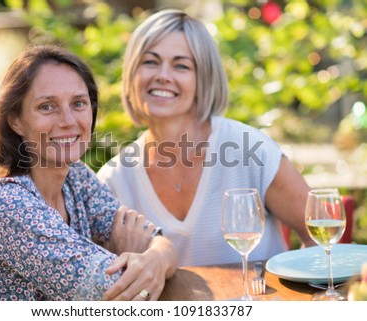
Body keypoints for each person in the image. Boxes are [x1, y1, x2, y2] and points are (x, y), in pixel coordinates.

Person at [0, 45, 176, 301]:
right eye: (47, 107)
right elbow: (116, 292)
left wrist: (154, 258)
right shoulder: (5, 202)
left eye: (78, 103)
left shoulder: (76, 177)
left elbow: (160, 242)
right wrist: (133, 258)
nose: (67, 120)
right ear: (15, 120)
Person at [97, 9, 315, 267]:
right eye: (150, 62)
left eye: (181, 65)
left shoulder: (250, 150)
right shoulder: (115, 180)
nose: (163, 75)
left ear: (204, 79)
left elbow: (320, 240)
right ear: (132, 74)